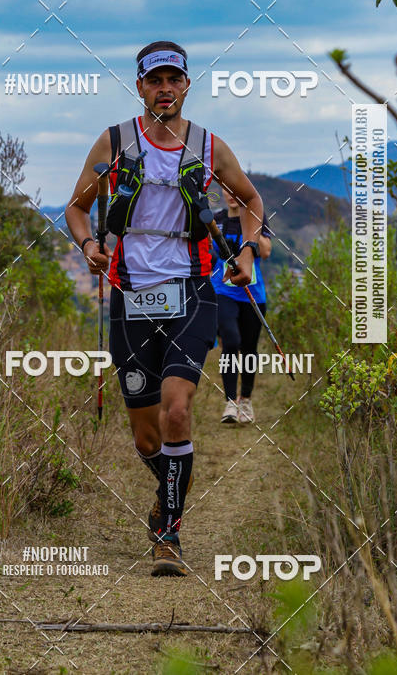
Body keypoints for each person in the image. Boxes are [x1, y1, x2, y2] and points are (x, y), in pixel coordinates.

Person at [65, 40, 265, 577]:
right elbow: (77, 208)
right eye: (156, 80)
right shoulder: (115, 141)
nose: (165, 89)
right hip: (130, 293)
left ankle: (169, 533)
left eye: (174, 80)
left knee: (178, 410)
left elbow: (247, 199)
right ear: (140, 87)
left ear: (186, 86)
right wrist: (89, 246)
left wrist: (245, 249)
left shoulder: (207, 145)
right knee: (146, 436)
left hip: (191, 289)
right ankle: (169, 490)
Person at [211, 187, 272, 425]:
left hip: (252, 294)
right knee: (231, 341)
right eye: (226, 190)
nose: (231, 194)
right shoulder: (216, 220)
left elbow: (266, 251)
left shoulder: (255, 218)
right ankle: (230, 403)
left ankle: (245, 399)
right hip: (223, 290)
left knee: (249, 349)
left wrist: (249, 243)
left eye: (235, 190)